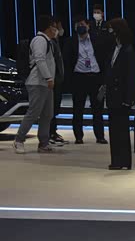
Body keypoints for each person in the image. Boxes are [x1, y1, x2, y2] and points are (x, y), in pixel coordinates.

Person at [13, 15, 58, 154]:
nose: (56, 29)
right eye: (54, 26)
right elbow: (39, 59)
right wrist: (49, 77)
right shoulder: (39, 40)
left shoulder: (48, 41)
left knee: (47, 114)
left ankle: (43, 143)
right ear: (49, 27)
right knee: (34, 112)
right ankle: (19, 140)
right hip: (37, 82)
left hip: (46, 83)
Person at [63, 15, 110, 144]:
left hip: (95, 77)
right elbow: (67, 61)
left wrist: (104, 78)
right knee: (78, 109)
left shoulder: (97, 39)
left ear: (88, 26)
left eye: (83, 24)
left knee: (98, 109)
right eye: (78, 25)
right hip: (79, 78)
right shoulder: (70, 41)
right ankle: (78, 136)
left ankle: (100, 136)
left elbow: (103, 58)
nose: (81, 27)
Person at [105, 18, 135, 170]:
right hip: (113, 95)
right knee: (114, 129)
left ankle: (123, 160)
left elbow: (131, 76)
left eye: (112, 29)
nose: (109, 32)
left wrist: (129, 98)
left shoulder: (127, 50)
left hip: (121, 96)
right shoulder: (114, 48)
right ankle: (117, 160)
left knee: (121, 130)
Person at [48, 18, 68, 146]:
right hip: (51, 80)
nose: (59, 30)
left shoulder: (57, 41)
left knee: (55, 108)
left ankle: (53, 132)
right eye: (56, 27)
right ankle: (48, 133)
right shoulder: (47, 42)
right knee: (50, 109)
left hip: (58, 80)